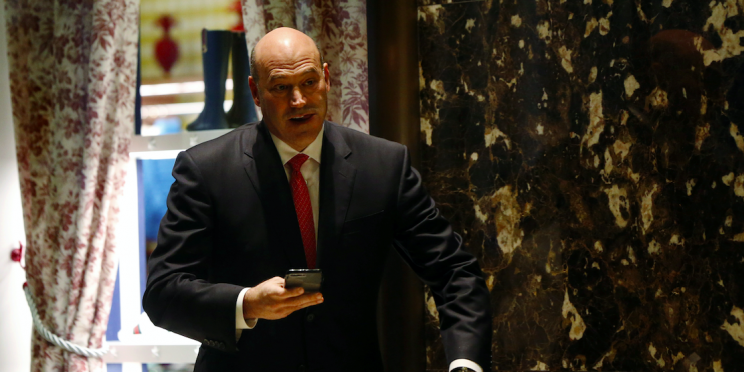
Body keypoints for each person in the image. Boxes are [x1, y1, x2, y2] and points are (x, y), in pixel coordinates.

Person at [142, 27, 491, 372]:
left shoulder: (383, 165)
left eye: (309, 82)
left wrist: (465, 364)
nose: (299, 100)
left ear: (326, 78)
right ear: (256, 92)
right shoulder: (206, 170)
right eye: (281, 87)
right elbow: (163, 292)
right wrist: (246, 303)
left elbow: (454, 271)